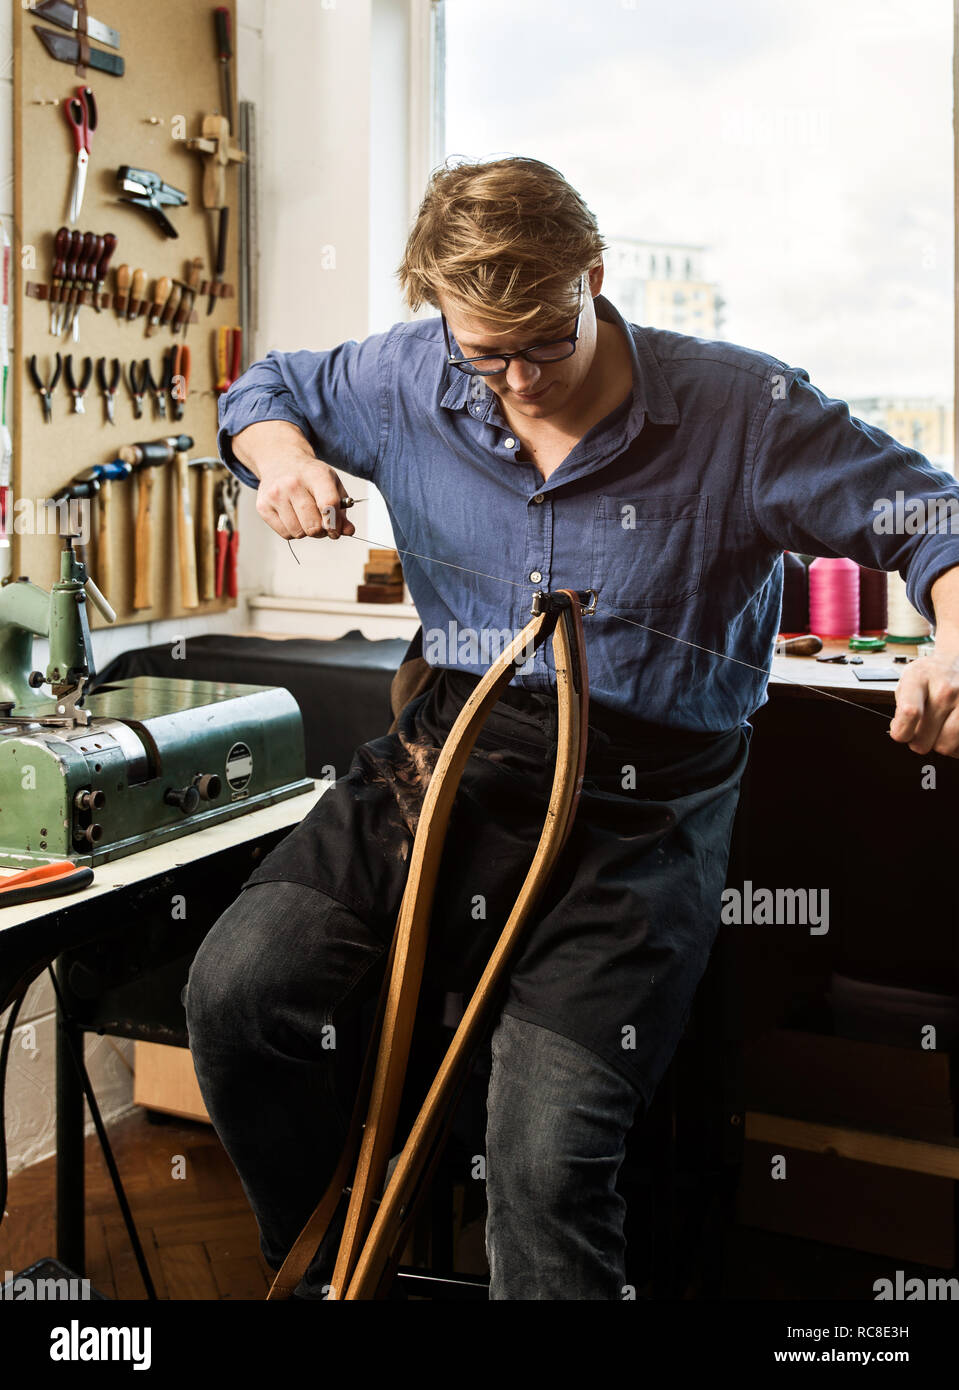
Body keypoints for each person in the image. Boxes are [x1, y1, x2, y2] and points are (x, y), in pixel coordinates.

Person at [185, 155, 959, 1301]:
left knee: (545, 1159)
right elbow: (260, 392)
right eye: (481, 353)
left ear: (592, 278)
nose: (516, 380)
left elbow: (929, 517)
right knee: (238, 993)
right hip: (450, 749)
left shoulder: (744, 410)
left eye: (543, 340)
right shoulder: (408, 371)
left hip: (645, 801)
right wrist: (285, 457)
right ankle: (325, 1275)